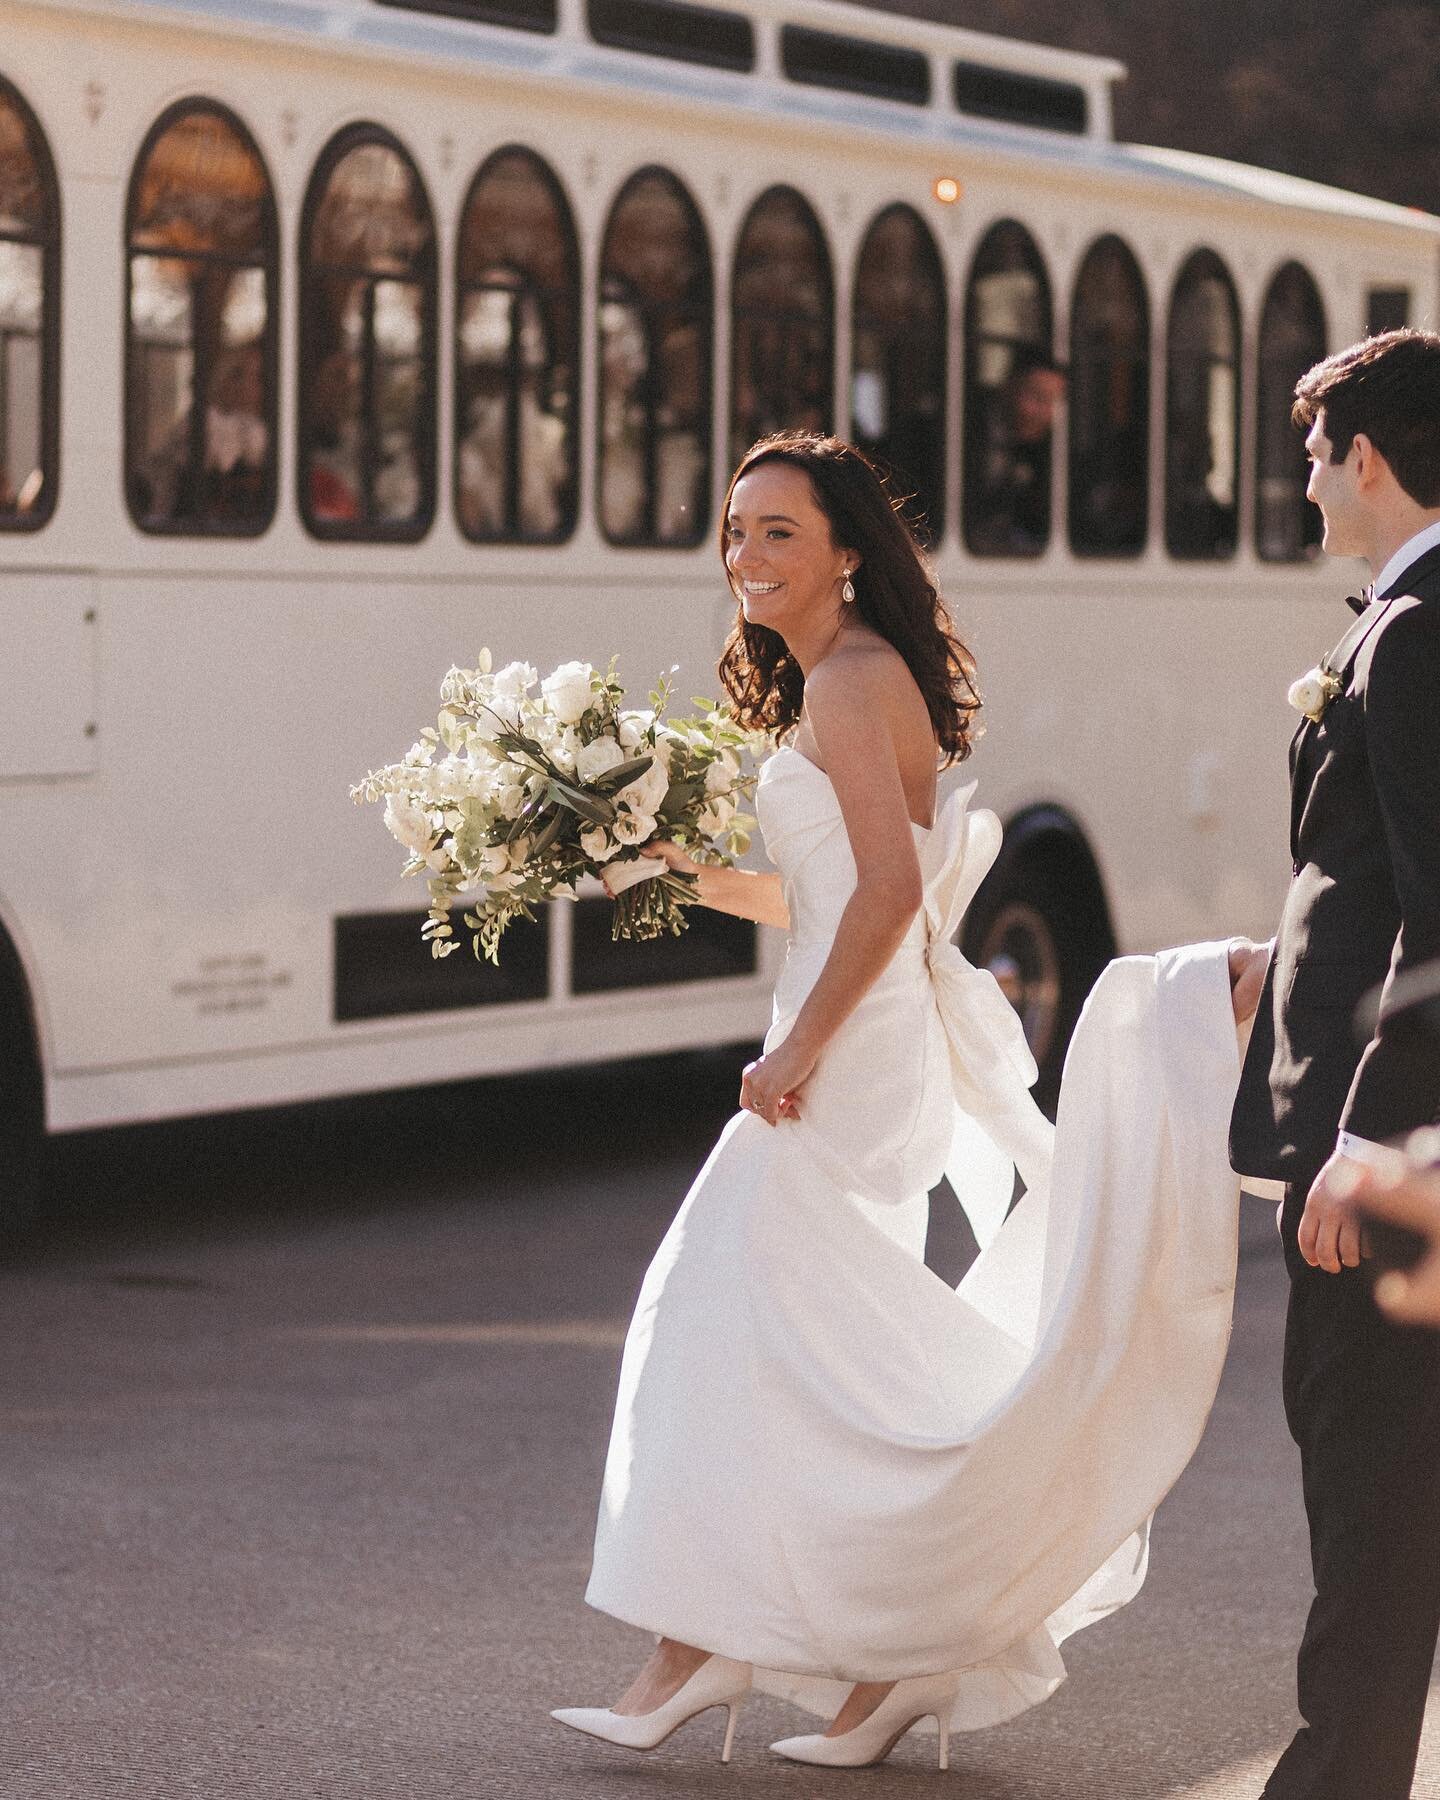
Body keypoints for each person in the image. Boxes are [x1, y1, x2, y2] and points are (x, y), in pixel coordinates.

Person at [552, 433, 1258, 1769]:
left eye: (776, 534)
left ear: (846, 552)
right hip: (858, 1027)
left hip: (852, 1047)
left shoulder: (850, 683)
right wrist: (682, 870)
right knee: (801, 1351)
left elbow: (884, 898)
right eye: (735, 529)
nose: (744, 558)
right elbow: (839, 891)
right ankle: (891, 1658)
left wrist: (795, 1053)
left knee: (713, 1310)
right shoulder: (849, 678)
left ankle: (710, 1650)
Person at [1228, 329, 1440, 1800]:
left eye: (1312, 454)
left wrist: (1373, 1135)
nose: (1305, 483)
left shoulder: (1418, 627)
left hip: (1394, 1151)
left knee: (1369, 1506)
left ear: (1365, 456)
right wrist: (1282, 949)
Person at [968, 347, 1065, 556]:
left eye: (1052, 402)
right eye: (1037, 398)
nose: (1044, 413)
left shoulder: (1045, 451)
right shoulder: (967, 431)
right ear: (1008, 388)